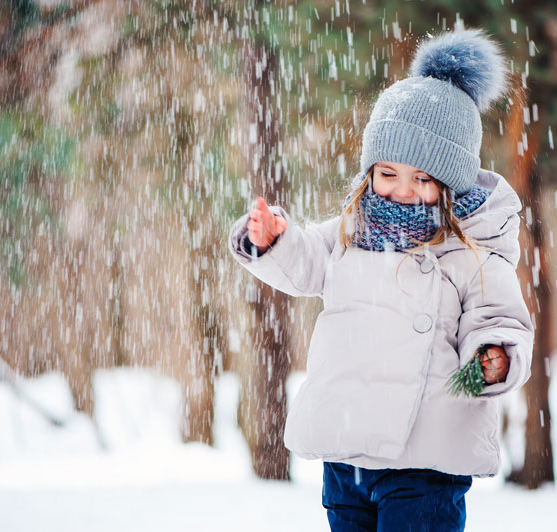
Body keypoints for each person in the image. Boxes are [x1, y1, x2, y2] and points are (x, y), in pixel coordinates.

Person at [228, 28, 534, 532]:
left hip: (425, 459)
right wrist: (271, 240)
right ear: (370, 171)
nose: (400, 191)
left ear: (450, 183)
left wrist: (495, 355)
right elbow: (304, 261)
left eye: (422, 178)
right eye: (387, 173)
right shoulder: (351, 233)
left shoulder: (470, 251)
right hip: (348, 451)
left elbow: (498, 317)